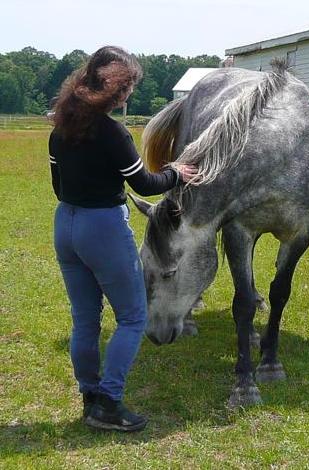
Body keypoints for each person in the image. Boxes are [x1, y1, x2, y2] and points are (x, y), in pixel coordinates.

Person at [48, 46, 197, 432]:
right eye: (129, 87)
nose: (129, 94)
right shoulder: (113, 132)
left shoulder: (59, 128)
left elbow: (57, 185)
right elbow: (145, 183)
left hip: (65, 223)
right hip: (103, 227)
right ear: (117, 90)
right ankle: (110, 404)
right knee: (133, 317)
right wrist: (177, 172)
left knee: (85, 320)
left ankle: (90, 397)